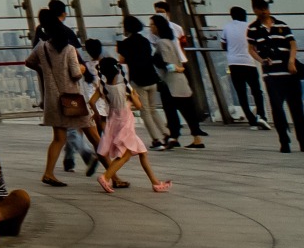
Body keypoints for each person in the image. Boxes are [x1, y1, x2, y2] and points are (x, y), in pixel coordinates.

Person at [27, 17, 94, 186]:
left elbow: (29, 62)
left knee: (58, 138)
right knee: (90, 131)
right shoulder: (69, 49)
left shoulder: (41, 48)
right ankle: (111, 174)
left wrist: (44, 71)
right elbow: (76, 74)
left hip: (52, 98)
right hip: (71, 99)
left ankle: (49, 173)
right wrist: (83, 68)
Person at [92, 51, 170, 193]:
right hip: (125, 123)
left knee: (142, 152)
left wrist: (97, 115)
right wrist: (133, 97)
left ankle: (155, 182)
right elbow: (139, 106)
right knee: (126, 155)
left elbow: (91, 102)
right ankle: (106, 177)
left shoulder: (103, 86)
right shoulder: (125, 87)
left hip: (113, 121)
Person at [252, 11, 304, 155]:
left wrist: (291, 61)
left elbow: (293, 44)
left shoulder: (282, 25)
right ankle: (284, 142)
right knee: (278, 109)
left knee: (297, 109)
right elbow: (251, 49)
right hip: (272, 75)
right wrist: (262, 60)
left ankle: (303, 142)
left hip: (289, 74)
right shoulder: (253, 29)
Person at [149, 11, 207, 148]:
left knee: (171, 111)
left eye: (152, 25)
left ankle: (173, 137)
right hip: (180, 82)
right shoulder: (170, 41)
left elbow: (166, 63)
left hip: (171, 83)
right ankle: (194, 138)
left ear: (157, 26)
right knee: (187, 110)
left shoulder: (162, 43)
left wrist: (175, 68)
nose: (150, 28)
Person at [222, 6, 268, 128]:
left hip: (234, 63)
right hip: (249, 62)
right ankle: (261, 116)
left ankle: (251, 119)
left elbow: (223, 44)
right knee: (257, 91)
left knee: (241, 93)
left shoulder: (227, 27)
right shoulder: (250, 27)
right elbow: (256, 44)